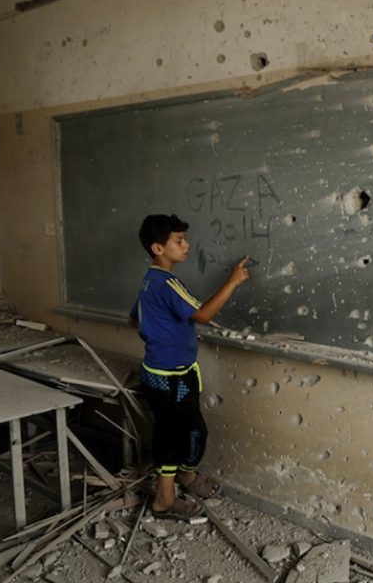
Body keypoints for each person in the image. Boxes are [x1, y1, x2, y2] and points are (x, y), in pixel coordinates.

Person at [129, 213, 250, 520]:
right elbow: (203, 315)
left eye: (184, 239)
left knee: (193, 430)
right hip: (166, 378)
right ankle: (163, 500)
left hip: (176, 373)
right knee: (171, 435)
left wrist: (159, 332)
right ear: (159, 248)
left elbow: (133, 318)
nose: (187, 245)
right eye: (178, 241)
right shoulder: (167, 283)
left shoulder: (150, 281)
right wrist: (232, 281)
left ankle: (187, 477)